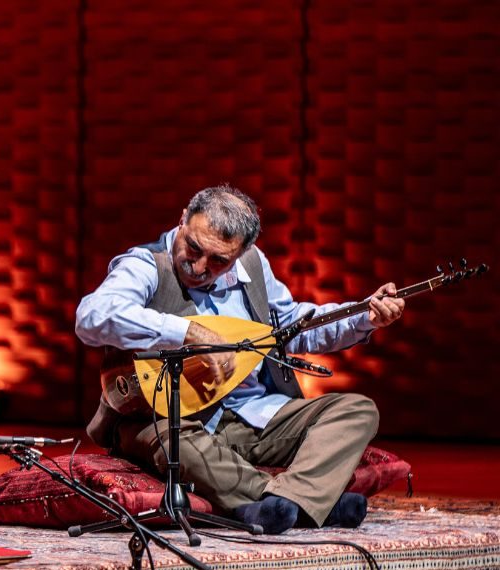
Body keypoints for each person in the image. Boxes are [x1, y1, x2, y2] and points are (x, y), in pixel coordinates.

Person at [75, 184, 405, 534]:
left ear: (243, 251)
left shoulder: (253, 265)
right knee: (173, 443)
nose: (200, 266)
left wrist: (362, 317)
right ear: (183, 219)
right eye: (194, 248)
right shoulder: (146, 266)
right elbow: (92, 317)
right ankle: (307, 503)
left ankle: (283, 504)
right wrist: (185, 332)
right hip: (173, 419)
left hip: (255, 414)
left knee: (357, 411)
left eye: (219, 260)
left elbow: (291, 328)